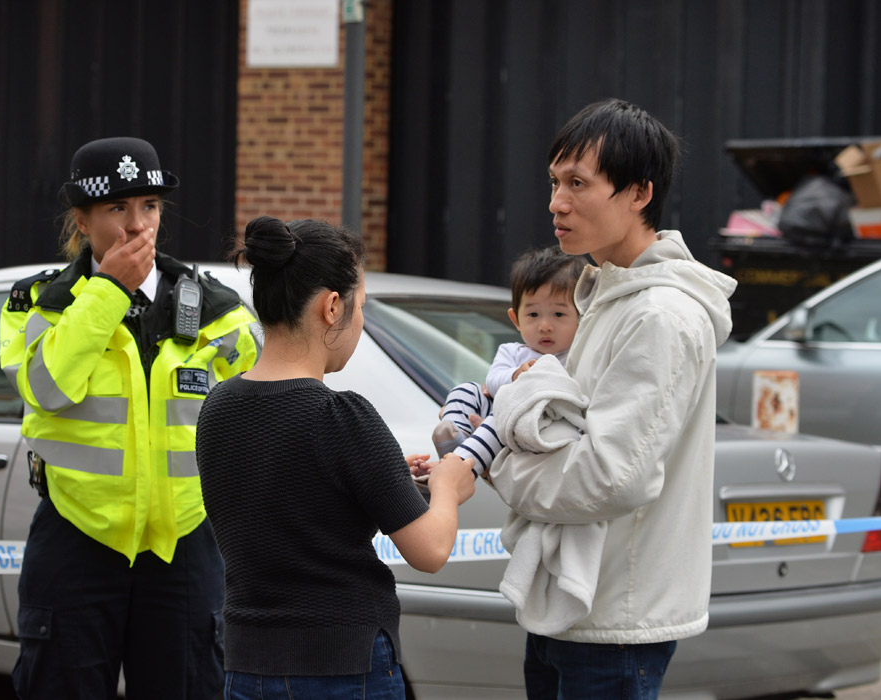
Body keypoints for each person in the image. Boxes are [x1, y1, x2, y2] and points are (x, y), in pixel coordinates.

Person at [486, 99, 736, 699]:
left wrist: (499, 459)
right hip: (573, 604)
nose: (556, 203)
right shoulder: (604, 293)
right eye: (554, 183)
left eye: (578, 184)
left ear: (638, 193)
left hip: (616, 619)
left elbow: (609, 477)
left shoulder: (661, 315)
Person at [0, 136, 260, 700]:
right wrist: (107, 291)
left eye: (150, 207)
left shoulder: (217, 309)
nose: (136, 226)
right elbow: (46, 386)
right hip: (76, 537)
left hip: (184, 547)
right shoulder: (40, 303)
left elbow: (261, 407)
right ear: (82, 219)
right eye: (117, 208)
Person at [195, 216, 477, 699]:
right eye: (360, 306)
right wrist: (449, 487)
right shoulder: (342, 416)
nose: (360, 321)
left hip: (247, 666)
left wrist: (386, 478)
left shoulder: (216, 408)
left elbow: (291, 502)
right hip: (344, 667)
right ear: (331, 307)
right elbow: (430, 551)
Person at [432, 246, 584, 475]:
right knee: (465, 389)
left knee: (502, 413)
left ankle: (460, 466)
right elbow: (491, 383)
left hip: (527, 424)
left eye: (559, 314)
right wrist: (515, 375)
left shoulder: (576, 358)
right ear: (516, 319)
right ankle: (455, 435)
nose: (545, 326)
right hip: (496, 413)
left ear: (582, 316)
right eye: (533, 315)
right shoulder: (512, 351)